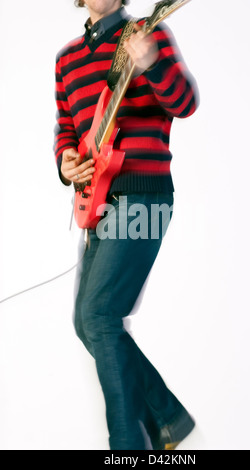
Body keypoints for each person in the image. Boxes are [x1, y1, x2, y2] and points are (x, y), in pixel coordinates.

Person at [54, 0, 199, 450]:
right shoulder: (66, 61)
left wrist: (152, 63)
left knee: (99, 315)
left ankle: (128, 446)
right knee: (87, 321)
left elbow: (185, 103)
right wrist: (67, 161)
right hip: (97, 201)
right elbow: (67, 128)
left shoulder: (143, 35)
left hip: (143, 195)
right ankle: (167, 417)